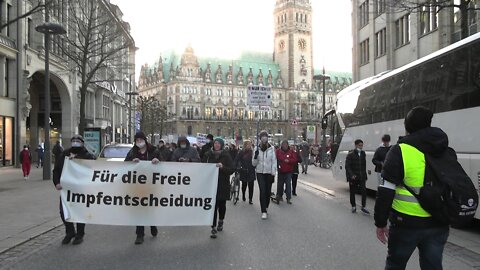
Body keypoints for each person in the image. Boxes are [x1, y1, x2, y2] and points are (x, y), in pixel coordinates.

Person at [375, 106, 450, 270]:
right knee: (433, 266)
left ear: (407, 126)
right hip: (438, 221)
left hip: (406, 224)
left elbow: (386, 191)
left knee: (395, 265)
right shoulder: (444, 149)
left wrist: (380, 223)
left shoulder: (399, 150)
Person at [52, 135, 96, 245]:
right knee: (64, 212)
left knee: (80, 213)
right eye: (73, 141)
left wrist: (76, 161)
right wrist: (57, 183)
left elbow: (93, 168)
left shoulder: (87, 155)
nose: (75, 143)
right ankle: (70, 232)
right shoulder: (64, 154)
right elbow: (56, 170)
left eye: (78, 141)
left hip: (81, 189)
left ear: (82, 143)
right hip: (66, 189)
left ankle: (80, 235)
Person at [124, 131, 160, 245]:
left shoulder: (154, 150)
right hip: (137, 185)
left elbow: (163, 164)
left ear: (145, 140)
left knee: (149, 208)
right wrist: (131, 162)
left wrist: (157, 161)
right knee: (139, 209)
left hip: (151, 184)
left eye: (141, 140)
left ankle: (152, 224)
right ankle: (140, 234)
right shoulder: (132, 151)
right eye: (137, 140)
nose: (139, 142)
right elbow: (125, 164)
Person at [202, 138, 235, 239]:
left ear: (221, 145)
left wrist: (223, 167)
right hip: (211, 184)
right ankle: (213, 227)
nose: (216, 145)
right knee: (213, 206)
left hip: (223, 184)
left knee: (222, 205)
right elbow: (202, 167)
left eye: (218, 143)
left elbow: (231, 169)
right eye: (215, 143)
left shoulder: (226, 155)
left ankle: (221, 220)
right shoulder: (208, 155)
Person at [252, 130, 277, 220]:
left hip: (269, 172)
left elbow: (274, 161)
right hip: (260, 172)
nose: (264, 138)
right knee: (262, 190)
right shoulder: (256, 148)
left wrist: (273, 172)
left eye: (265, 136)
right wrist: (255, 157)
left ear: (267, 138)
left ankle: (266, 205)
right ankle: (263, 211)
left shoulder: (272, 148)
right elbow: (254, 164)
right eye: (262, 136)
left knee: (267, 191)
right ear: (260, 138)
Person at [345, 139, 369, 214]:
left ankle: (363, 206)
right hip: (353, 177)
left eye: (362, 145)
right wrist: (351, 175)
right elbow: (347, 166)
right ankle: (353, 206)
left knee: (364, 192)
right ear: (356, 145)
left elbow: (364, 165)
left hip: (362, 176)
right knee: (352, 192)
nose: (361, 147)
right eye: (359, 145)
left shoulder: (363, 153)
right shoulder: (350, 154)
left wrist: (365, 175)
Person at [274, 140, 298, 204]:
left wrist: (289, 160)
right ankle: (279, 196)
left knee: (288, 184)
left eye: (286, 145)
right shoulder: (278, 151)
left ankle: (288, 198)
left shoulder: (291, 151)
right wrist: (283, 160)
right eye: (283, 145)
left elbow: (295, 159)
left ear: (287, 145)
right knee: (280, 184)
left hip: (288, 171)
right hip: (281, 170)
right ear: (281, 145)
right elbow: (276, 158)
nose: (284, 146)